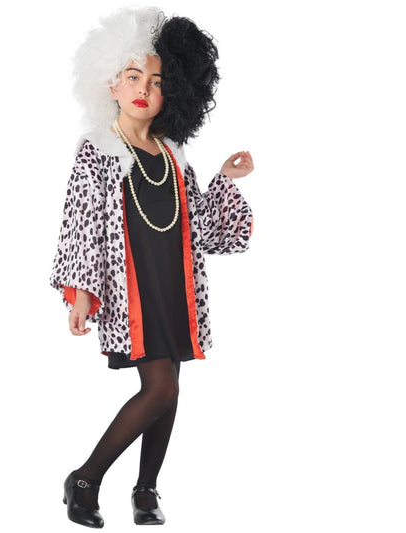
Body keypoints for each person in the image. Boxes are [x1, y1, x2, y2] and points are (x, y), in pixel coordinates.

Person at [50, 7, 254, 528]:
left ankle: (145, 490)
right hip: (132, 290)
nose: (144, 89)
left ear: (174, 93)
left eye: (157, 81)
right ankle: (85, 479)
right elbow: (80, 224)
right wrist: (80, 294)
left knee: (170, 390)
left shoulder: (172, 154)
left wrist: (226, 179)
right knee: (160, 389)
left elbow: (202, 228)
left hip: (175, 285)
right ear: (111, 82)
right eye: (133, 76)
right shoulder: (98, 151)